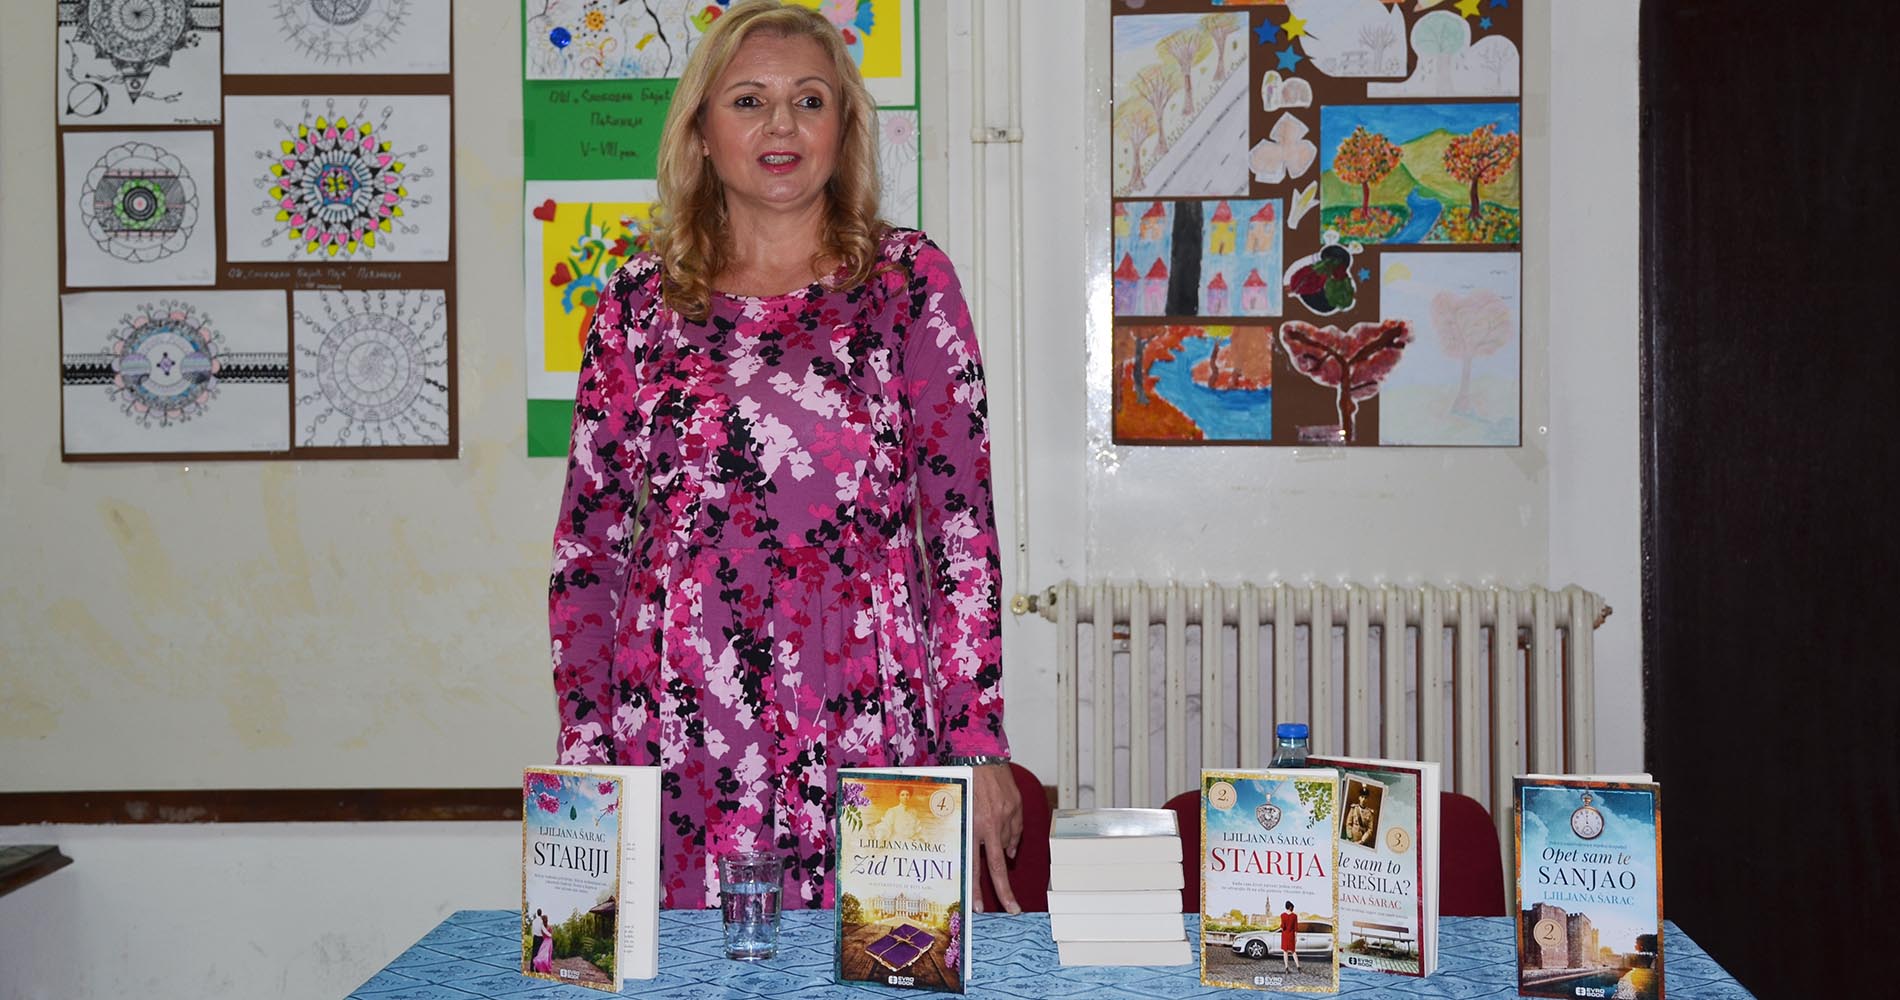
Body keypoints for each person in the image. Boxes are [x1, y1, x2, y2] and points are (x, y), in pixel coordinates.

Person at [548, 0, 1022, 912]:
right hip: (679, 726)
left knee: (881, 958)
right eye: (749, 100)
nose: (781, 125)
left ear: (843, 130)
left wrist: (977, 742)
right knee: (686, 971)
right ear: (700, 131)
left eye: (809, 100)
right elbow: (588, 548)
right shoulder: (637, 303)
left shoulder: (909, 284)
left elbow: (961, 531)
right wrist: (587, 755)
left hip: (870, 714)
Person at [1279, 900, 1301, 972]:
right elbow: (1296, 928)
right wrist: (1296, 937)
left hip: (1285, 935)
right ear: (1291, 907)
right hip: (1291, 935)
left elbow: (1282, 927)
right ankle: (1298, 966)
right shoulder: (1294, 916)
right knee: (1293, 951)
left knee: (1285, 952)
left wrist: (1281, 926)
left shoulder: (1282, 915)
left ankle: (1286, 967)